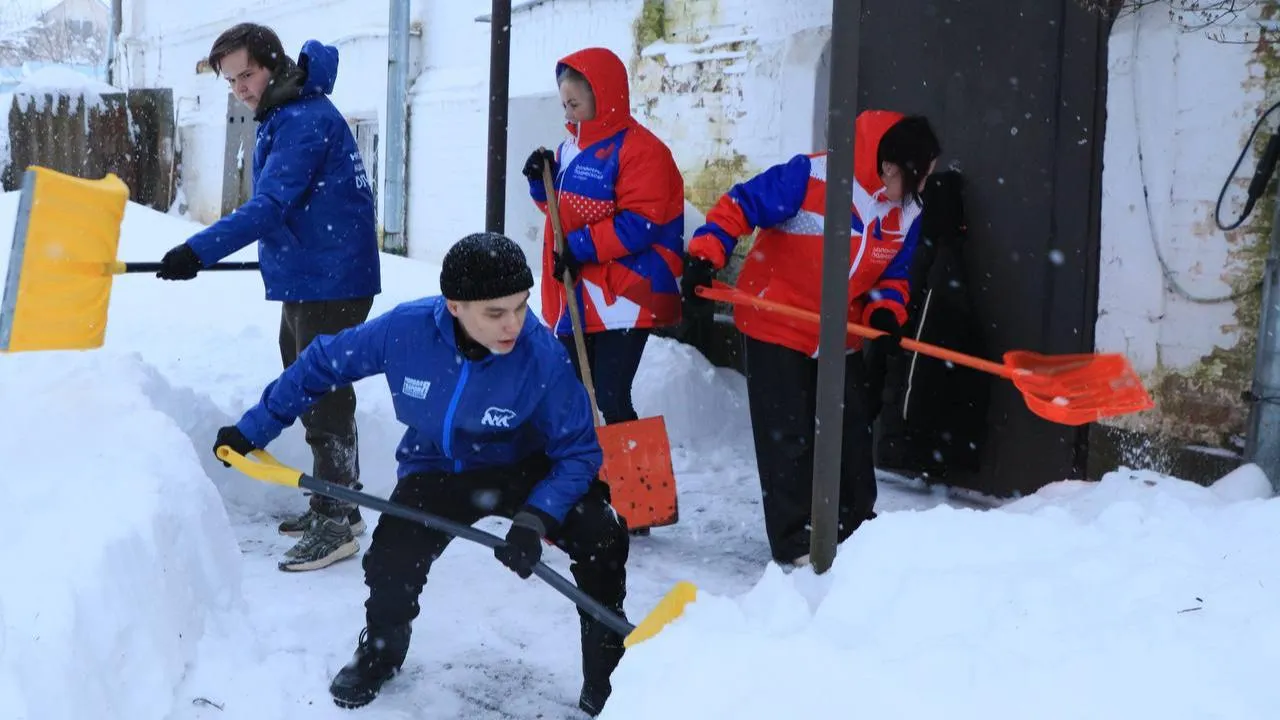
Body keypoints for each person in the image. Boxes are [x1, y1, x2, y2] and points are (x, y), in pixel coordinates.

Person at [211, 232, 631, 717]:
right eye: (495, 312)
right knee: (391, 557)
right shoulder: (405, 332)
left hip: (528, 471)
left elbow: (579, 452)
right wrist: (253, 429)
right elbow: (322, 363)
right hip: (440, 467)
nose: (514, 323)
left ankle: (610, 670)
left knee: (602, 536)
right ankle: (382, 651)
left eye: (521, 306)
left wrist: (538, 517)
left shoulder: (542, 356)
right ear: (454, 306)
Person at [156, 23, 382, 571]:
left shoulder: (302, 120)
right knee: (308, 385)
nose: (240, 88)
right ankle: (340, 503)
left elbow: (271, 205)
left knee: (323, 394)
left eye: (246, 74)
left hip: (331, 278)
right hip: (314, 273)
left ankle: (336, 523)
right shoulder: (288, 111)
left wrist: (198, 250)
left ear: (273, 63)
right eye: (231, 81)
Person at [682, 110, 941, 566]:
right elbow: (741, 205)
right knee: (789, 438)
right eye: (919, 178)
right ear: (890, 169)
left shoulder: (908, 211)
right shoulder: (812, 176)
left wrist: (885, 312)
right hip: (775, 321)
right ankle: (795, 541)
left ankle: (855, 530)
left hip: (839, 336)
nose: (923, 191)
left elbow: (895, 274)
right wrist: (706, 254)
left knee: (849, 435)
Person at [521, 46, 685, 428]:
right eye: (564, 105)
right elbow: (560, 216)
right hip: (578, 290)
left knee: (610, 394)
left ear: (603, 96)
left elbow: (640, 223)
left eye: (574, 104)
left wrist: (576, 248)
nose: (568, 114)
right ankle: (591, 480)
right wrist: (539, 179)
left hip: (626, 295)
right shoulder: (570, 149)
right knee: (578, 393)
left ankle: (642, 487)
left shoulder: (642, 151)